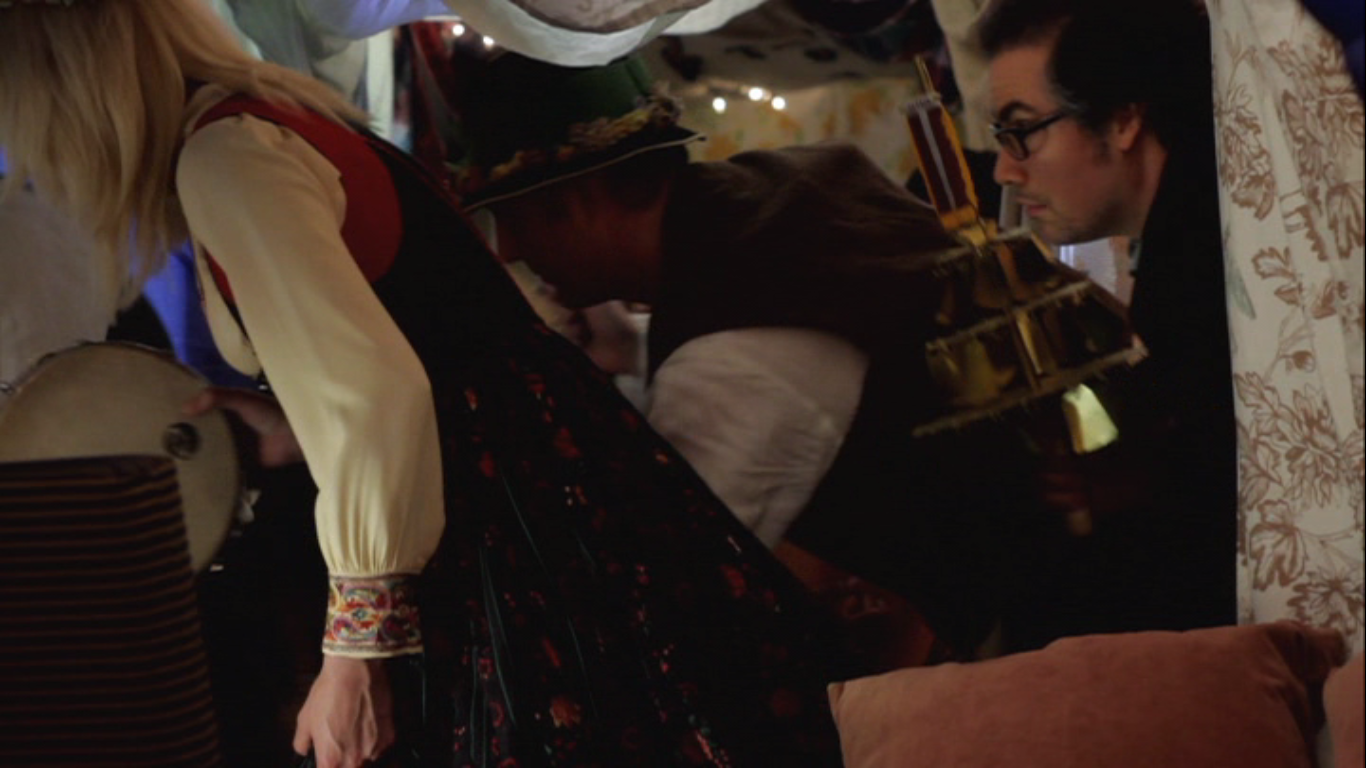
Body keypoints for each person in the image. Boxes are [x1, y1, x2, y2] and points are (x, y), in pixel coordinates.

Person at [0, 3, 851, 768]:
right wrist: (301, 427)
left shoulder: (227, 155)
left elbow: (376, 395)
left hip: (498, 514)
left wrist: (354, 655)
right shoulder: (285, 120)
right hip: (535, 474)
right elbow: (423, 351)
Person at [456, 52, 1030, 657]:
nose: (510, 248)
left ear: (585, 199)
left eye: (517, 217)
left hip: (999, 651)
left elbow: (674, 597)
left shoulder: (732, 354)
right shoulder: (783, 193)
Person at [977, 0, 1240, 648]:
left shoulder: (1214, 262)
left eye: (1023, 130)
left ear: (1123, 119)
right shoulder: (1192, 235)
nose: (1005, 168)